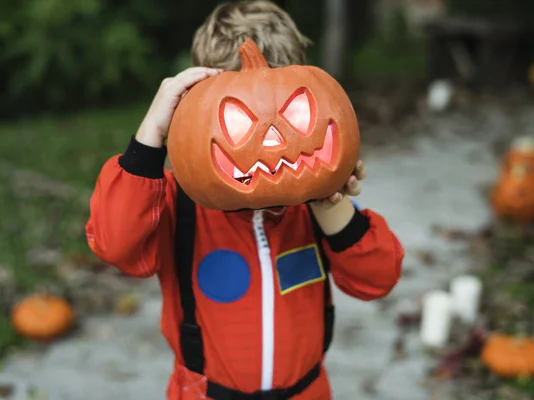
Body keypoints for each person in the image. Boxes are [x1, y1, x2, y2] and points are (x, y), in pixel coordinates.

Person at [85, 1, 404, 399]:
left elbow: (377, 279)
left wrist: (331, 203)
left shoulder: (313, 207)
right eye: (237, 118)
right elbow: (117, 243)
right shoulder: (177, 206)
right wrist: (150, 136)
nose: (272, 144)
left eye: (294, 113)